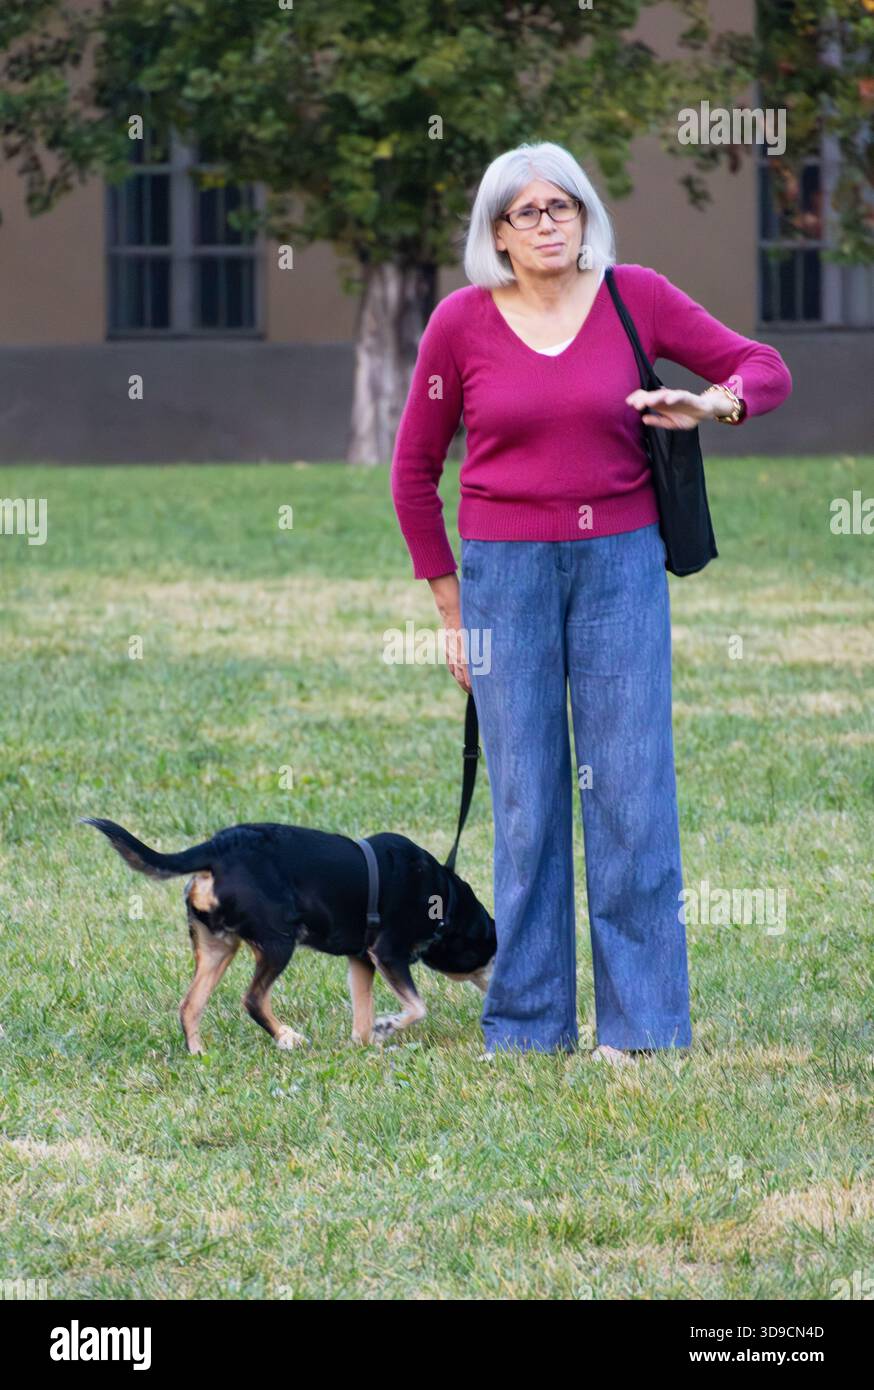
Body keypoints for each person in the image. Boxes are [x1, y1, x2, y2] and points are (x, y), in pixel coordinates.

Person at [390, 141, 792, 1063]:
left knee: (632, 796)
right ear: (497, 231)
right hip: (505, 576)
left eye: (563, 206)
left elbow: (764, 367)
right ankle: (528, 1027)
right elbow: (413, 477)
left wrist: (713, 405)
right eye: (527, 212)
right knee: (528, 803)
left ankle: (643, 1030)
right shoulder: (460, 323)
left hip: (619, 568)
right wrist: (452, 615)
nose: (548, 223)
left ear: (585, 216)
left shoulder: (635, 295)